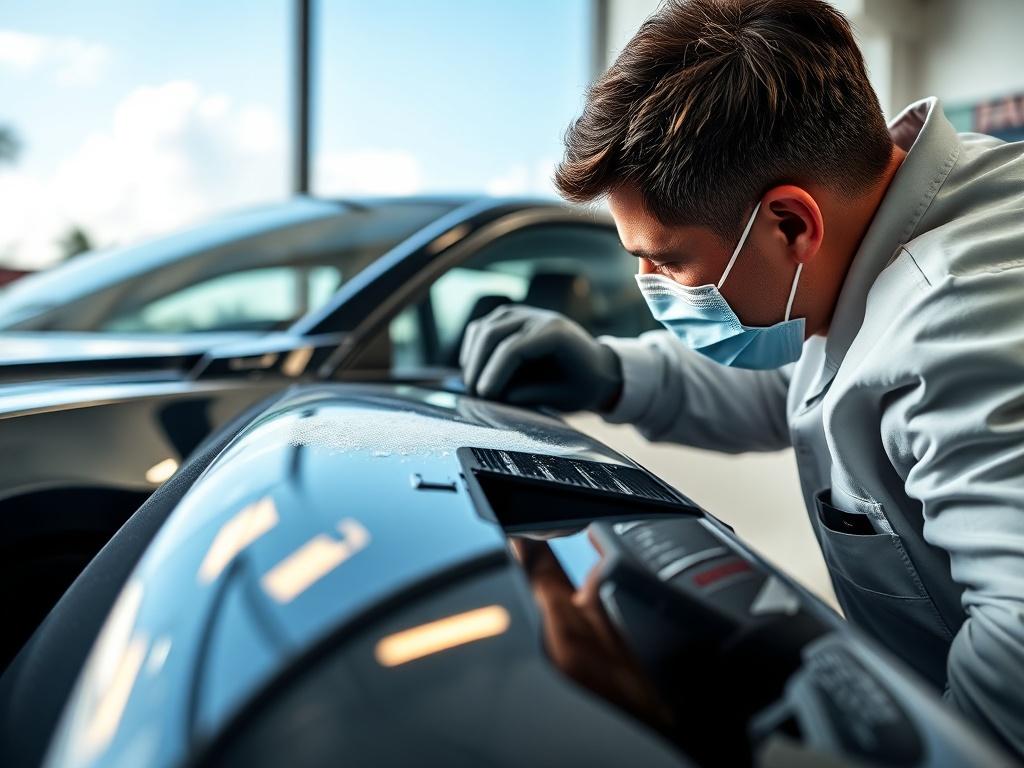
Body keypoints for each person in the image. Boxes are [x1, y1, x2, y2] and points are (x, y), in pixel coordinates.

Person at [460, 0, 1024, 754]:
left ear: (790, 223)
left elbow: (1016, 657)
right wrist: (611, 376)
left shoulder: (959, 322)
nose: (649, 284)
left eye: (668, 259)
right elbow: (799, 376)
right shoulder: (889, 227)